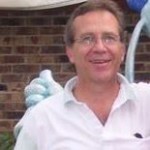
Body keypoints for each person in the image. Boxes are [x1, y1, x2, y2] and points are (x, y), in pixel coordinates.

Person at [14, 0, 150, 149]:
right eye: (87, 39)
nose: (99, 47)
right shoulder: (42, 119)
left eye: (109, 38)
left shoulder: (146, 102)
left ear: (122, 50)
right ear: (70, 52)